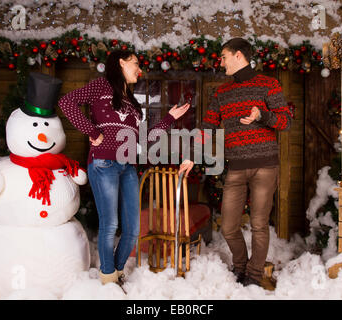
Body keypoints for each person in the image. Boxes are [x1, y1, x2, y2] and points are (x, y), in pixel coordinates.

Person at [58, 50, 190, 285]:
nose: (139, 70)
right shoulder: (100, 86)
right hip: (104, 163)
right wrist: (93, 132)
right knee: (110, 224)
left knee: (133, 228)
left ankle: (116, 271)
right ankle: (108, 278)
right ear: (120, 63)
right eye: (135, 64)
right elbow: (66, 102)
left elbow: (144, 139)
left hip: (128, 166)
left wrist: (169, 118)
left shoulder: (131, 100)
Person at [180, 38, 292, 289]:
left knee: (259, 224)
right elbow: (207, 126)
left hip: (265, 166)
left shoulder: (268, 84)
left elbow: (285, 122)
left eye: (223, 57)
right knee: (229, 226)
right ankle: (240, 266)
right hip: (236, 167)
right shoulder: (222, 93)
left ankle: (253, 275)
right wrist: (190, 155)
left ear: (239, 56)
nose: (221, 62)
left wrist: (262, 116)